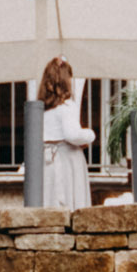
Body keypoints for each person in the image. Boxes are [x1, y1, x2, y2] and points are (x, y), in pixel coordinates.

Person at [27, 56, 95, 211]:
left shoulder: (42, 110)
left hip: (46, 161)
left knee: (49, 200)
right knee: (69, 202)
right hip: (66, 161)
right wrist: (90, 134)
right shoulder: (66, 107)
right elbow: (72, 135)